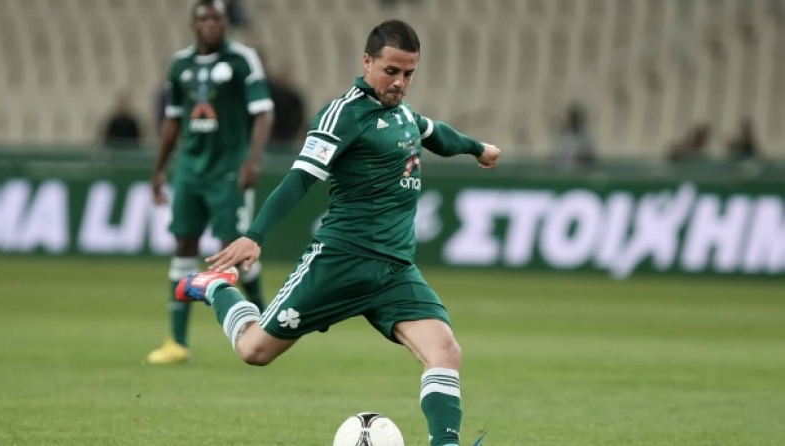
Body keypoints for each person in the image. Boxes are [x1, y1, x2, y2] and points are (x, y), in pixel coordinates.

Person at [175, 19, 500, 446]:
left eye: (409, 74)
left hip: (394, 271)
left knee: (445, 351)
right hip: (339, 261)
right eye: (391, 71)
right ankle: (216, 287)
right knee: (254, 351)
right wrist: (255, 235)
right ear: (367, 61)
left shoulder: (403, 115)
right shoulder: (343, 114)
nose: (400, 83)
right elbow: (300, 178)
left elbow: (436, 134)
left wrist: (478, 148)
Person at [146, 0, 274, 365]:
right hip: (190, 169)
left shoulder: (242, 60)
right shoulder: (180, 65)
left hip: (228, 169)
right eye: (204, 18)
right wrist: (159, 169)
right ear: (194, 24)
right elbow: (173, 120)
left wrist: (252, 161)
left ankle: (266, 324)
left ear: (225, 22)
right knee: (183, 244)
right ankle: (177, 342)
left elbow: (264, 113)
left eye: (217, 18)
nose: (211, 24)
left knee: (232, 250)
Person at [551, 103, 596, 171]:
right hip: (565, 170)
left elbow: (589, 158)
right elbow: (559, 157)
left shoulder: (584, 137)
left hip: (580, 170)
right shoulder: (565, 136)